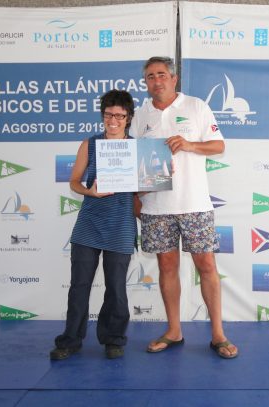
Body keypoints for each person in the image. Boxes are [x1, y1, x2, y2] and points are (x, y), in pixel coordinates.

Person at [130, 57, 238, 359]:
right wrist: (136, 195)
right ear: (145, 82)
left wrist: (189, 144)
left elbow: (218, 145)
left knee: (207, 267)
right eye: (150, 76)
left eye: (161, 74)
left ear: (174, 78)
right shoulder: (140, 115)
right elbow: (134, 160)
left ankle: (218, 334)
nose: (156, 81)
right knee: (167, 267)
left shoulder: (196, 106)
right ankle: (174, 331)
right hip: (155, 206)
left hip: (194, 203)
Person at [50, 90, 137, 360]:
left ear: (128, 118)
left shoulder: (138, 149)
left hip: (121, 225)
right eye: (108, 114)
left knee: (116, 289)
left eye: (119, 116)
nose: (113, 120)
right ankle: (70, 340)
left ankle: (113, 339)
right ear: (102, 116)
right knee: (79, 286)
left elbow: (145, 188)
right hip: (89, 224)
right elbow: (74, 182)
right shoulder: (90, 144)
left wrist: (159, 176)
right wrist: (90, 191)